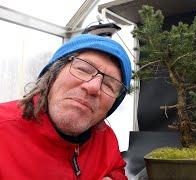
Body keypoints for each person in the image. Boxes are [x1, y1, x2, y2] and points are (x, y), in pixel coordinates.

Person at [0, 34, 132, 180]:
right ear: (52, 75)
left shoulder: (105, 138)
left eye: (108, 84)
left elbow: (116, 169)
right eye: (83, 69)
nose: (93, 87)